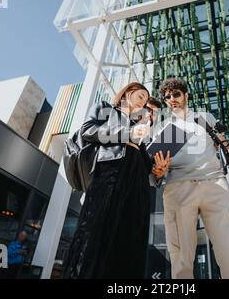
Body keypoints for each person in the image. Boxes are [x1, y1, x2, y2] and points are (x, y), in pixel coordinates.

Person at [64, 82, 170, 279]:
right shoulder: (105, 108)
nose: (143, 104)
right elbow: (87, 130)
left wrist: (158, 171)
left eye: (146, 101)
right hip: (110, 174)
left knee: (132, 240)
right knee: (96, 234)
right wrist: (127, 134)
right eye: (141, 97)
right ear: (127, 93)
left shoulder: (142, 130)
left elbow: (147, 168)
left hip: (138, 186)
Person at [157, 78, 229, 279]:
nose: (172, 99)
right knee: (181, 255)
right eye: (167, 97)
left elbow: (226, 145)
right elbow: (156, 169)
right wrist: (158, 170)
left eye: (176, 94)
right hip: (177, 188)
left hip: (214, 184)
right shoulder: (161, 127)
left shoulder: (204, 117)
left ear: (186, 95)